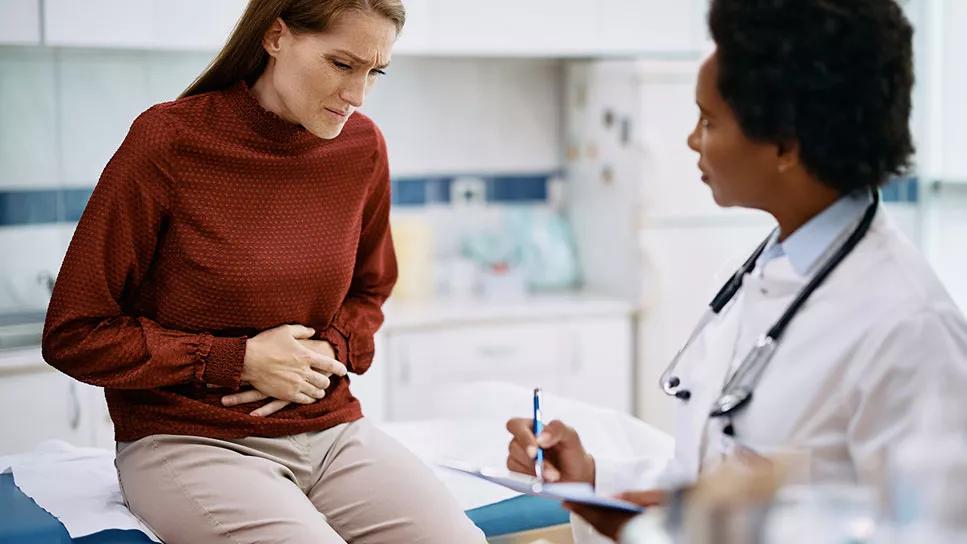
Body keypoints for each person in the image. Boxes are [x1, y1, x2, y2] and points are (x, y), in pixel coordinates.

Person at [506, 0, 967, 541]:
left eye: (709, 120)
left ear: (785, 145)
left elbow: (938, 530)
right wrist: (593, 479)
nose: (691, 139)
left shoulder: (910, 328)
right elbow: (709, 476)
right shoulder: (759, 275)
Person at [42, 1, 485, 542]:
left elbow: (370, 290)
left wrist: (330, 350)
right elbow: (74, 333)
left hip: (327, 429)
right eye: (341, 65)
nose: (358, 94)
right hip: (189, 438)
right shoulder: (170, 141)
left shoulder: (361, 148)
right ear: (276, 37)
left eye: (375, 72)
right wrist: (238, 360)